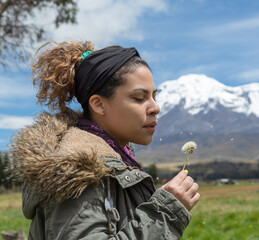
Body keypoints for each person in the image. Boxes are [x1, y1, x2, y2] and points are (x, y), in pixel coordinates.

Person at [11, 41, 200, 239]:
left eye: (154, 96)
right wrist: (165, 213)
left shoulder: (112, 162)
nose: (155, 107)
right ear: (99, 105)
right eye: (139, 98)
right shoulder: (78, 170)